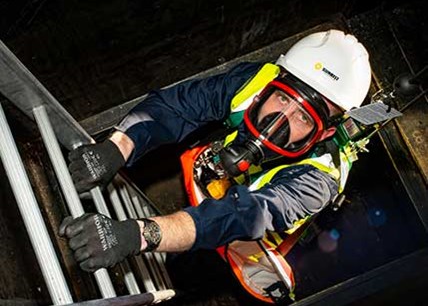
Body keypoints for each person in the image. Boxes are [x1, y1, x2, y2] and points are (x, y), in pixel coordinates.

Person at [60, 30, 371, 303]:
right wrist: (116, 148)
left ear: (326, 132)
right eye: (282, 98)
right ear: (274, 82)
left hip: (248, 236)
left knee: (197, 272)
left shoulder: (318, 181)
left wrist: (139, 234)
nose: (278, 122)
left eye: (305, 117)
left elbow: (241, 216)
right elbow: (176, 108)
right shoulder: (254, 81)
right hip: (214, 185)